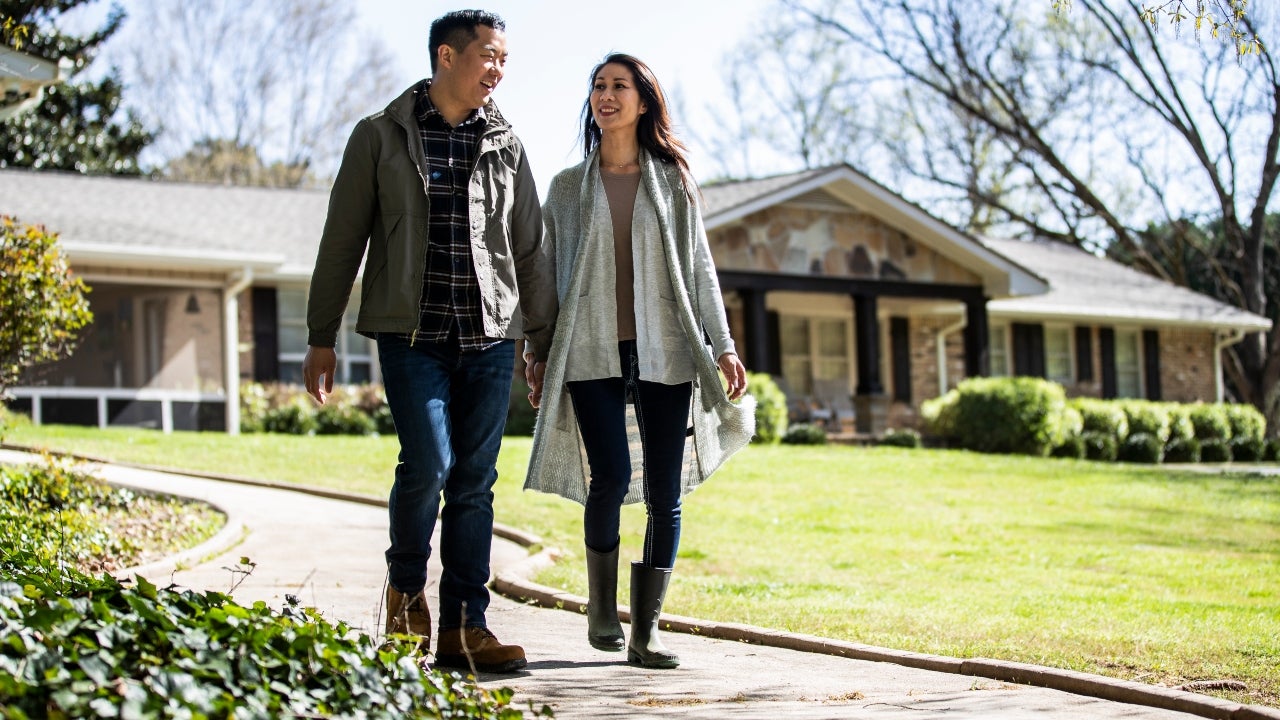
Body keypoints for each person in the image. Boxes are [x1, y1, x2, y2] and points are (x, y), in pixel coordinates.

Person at [302, 9, 555, 674]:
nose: (498, 70)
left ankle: (466, 627)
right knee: (430, 464)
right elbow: (342, 239)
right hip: (411, 335)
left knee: (475, 483)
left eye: (504, 60)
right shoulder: (379, 136)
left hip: (489, 337)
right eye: (489, 56)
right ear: (447, 55)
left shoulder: (506, 143)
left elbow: (530, 248)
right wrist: (321, 334)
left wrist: (542, 342)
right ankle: (406, 597)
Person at [524, 53, 755, 669]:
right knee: (610, 474)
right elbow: (544, 276)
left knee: (663, 490)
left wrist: (724, 344)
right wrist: (536, 351)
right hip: (589, 346)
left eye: (619, 86)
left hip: (667, 347)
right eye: (598, 86)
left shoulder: (672, 181)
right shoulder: (566, 188)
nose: (606, 95)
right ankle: (602, 607)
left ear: (644, 101)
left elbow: (700, 268)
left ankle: (646, 631)